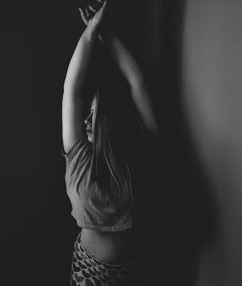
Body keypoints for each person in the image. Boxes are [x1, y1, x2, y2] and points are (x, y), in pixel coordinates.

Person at [61, 1, 157, 285]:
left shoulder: (141, 147)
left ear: (110, 119)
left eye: (94, 113)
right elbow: (72, 90)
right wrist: (93, 30)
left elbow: (137, 83)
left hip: (135, 269)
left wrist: (103, 33)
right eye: (86, 114)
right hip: (88, 272)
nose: (86, 121)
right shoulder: (78, 157)